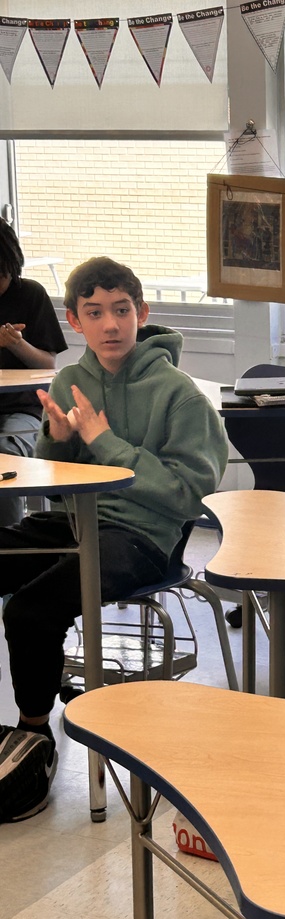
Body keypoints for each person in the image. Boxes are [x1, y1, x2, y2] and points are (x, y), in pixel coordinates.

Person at [0, 256, 229, 822]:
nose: (110, 325)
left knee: (31, 610)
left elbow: (187, 497)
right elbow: (57, 487)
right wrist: (56, 441)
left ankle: (35, 732)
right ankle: (40, 692)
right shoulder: (70, 379)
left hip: (146, 536)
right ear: (75, 322)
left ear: (142, 313)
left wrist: (104, 442)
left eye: (121, 311)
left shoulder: (180, 394)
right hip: (79, 520)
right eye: (95, 313)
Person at [0, 220, 67, 525]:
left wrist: (17, 345)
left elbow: (48, 365)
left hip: (24, 408)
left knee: (5, 451)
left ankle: (10, 543)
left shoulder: (30, 294)